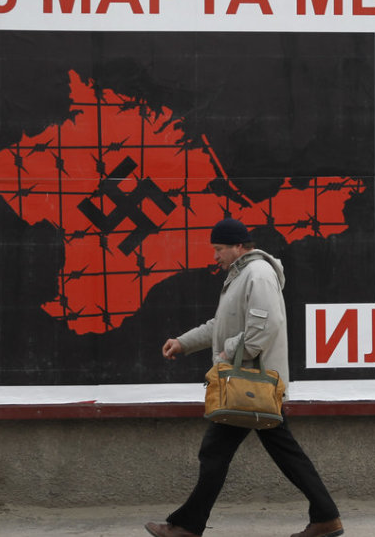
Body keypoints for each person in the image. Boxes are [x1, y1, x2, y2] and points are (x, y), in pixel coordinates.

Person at [145, 218, 344, 537]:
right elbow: (220, 325)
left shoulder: (258, 274)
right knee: (280, 452)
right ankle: (326, 517)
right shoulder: (241, 277)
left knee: (216, 452)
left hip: (250, 383)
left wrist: (229, 352)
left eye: (220, 249)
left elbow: (266, 327)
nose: (215, 256)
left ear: (239, 246)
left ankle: (185, 526)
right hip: (249, 385)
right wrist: (183, 342)